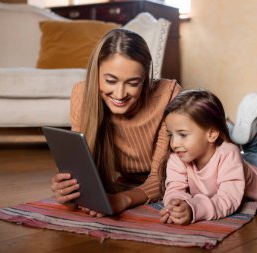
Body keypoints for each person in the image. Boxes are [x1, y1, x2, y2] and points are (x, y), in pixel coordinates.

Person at [51, 28, 181, 217]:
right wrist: (66, 188)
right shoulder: (82, 93)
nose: (120, 95)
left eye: (133, 83)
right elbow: (81, 169)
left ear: (145, 78)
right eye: (111, 81)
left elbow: (162, 178)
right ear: (96, 73)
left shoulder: (168, 94)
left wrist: (122, 199)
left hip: (182, 170)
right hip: (128, 180)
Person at [159, 90, 257, 225]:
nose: (174, 143)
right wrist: (176, 204)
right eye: (171, 135)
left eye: (182, 134)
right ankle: (248, 137)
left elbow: (227, 199)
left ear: (211, 134)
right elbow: (174, 188)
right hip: (239, 163)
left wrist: (194, 209)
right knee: (245, 156)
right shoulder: (178, 157)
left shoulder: (228, 154)